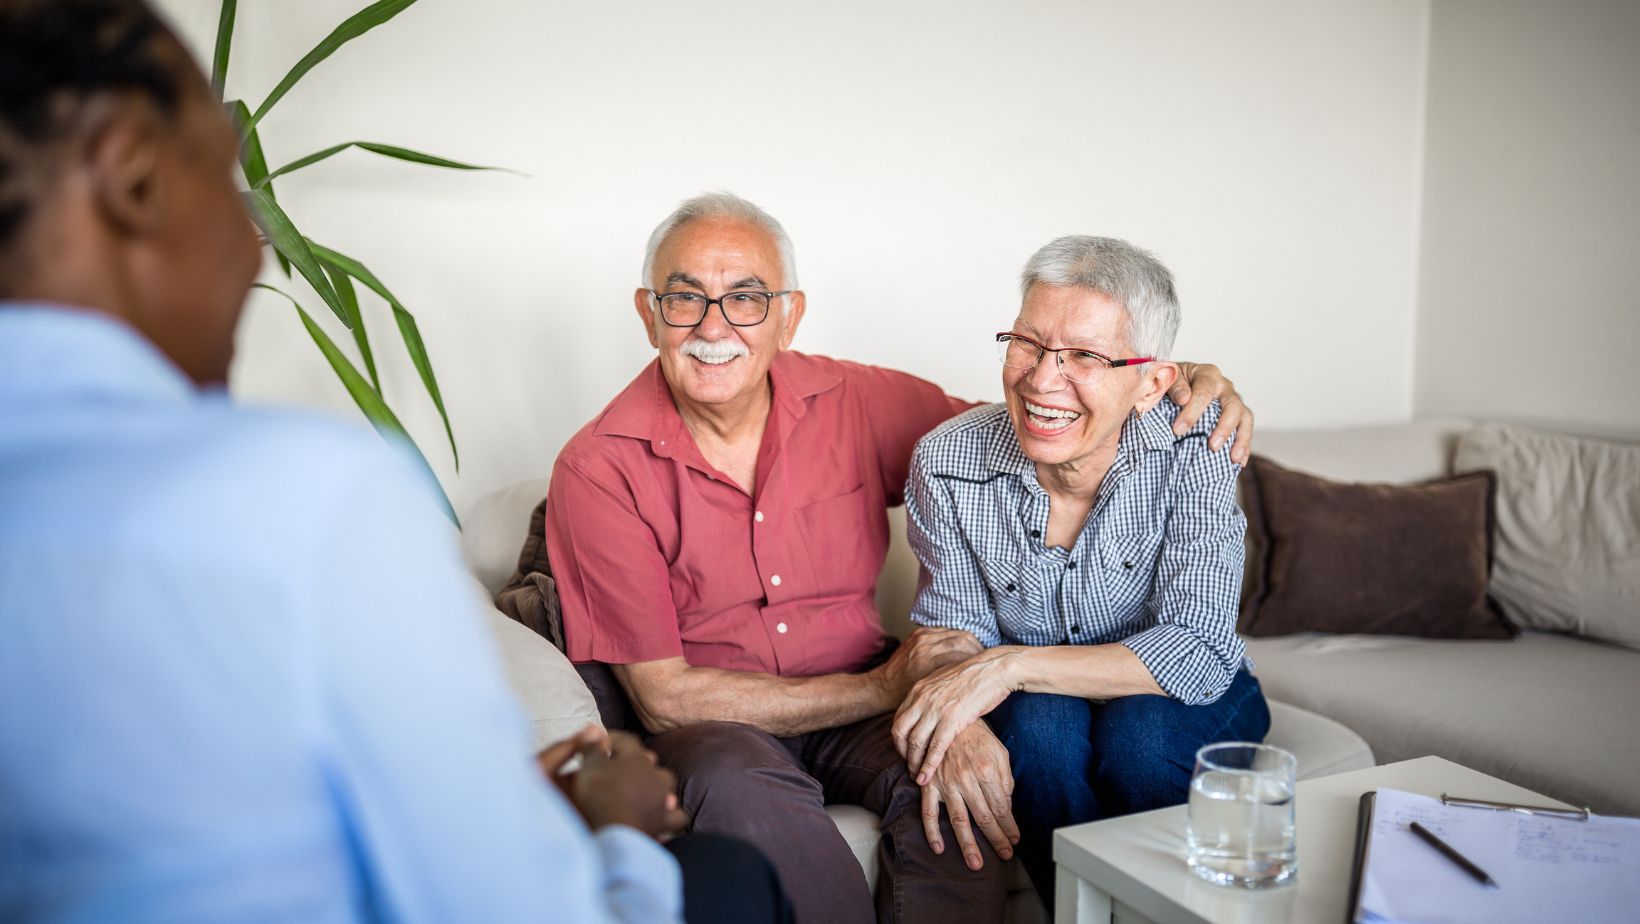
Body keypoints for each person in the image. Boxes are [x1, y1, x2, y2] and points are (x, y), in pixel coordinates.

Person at [0, 3, 789, 922]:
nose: (253, 242)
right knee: (727, 878)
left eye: (746, 300)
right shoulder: (308, 498)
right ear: (135, 179)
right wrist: (613, 834)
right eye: (229, 181)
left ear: (787, 315)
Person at [543, 194, 1258, 923]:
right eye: (685, 298)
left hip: (868, 693)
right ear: (649, 312)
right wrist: (899, 687)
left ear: (789, 314)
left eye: (747, 299)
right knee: (745, 793)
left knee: (956, 790)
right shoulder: (598, 469)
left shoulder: (857, 400)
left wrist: (1174, 378)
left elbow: (1046, 417)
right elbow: (666, 699)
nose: (714, 326)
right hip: (720, 726)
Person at [889, 236, 1271, 909]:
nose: (1041, 380)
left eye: (1085, 357)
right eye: (1028, 343)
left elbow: (1198, 647)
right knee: (1038, 733)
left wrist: (1007, 667)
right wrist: (982, 685)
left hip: (1183, 691)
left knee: (1140, 743)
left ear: (1152, 382)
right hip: (1045, 700)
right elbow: (954, 633)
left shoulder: (1199, 441)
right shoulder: (946, 461)